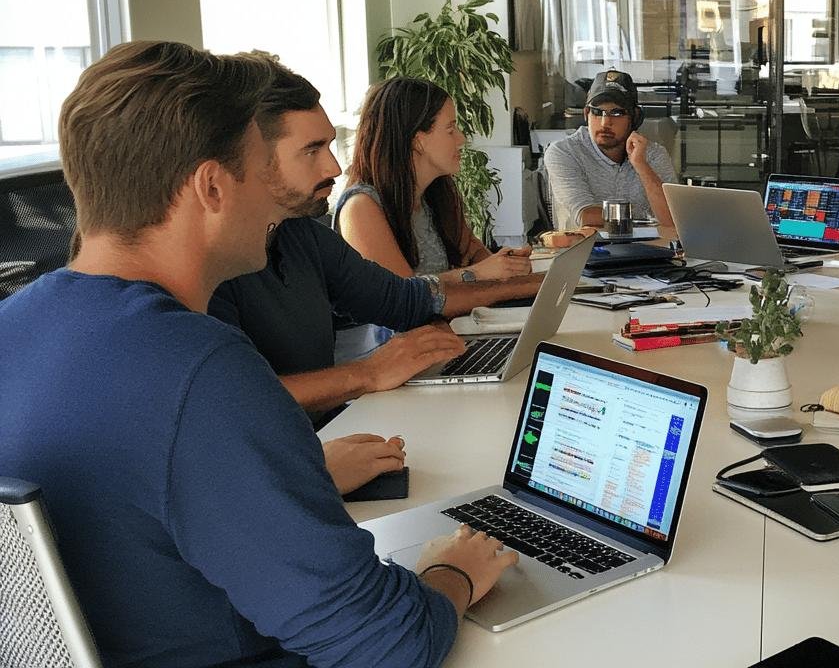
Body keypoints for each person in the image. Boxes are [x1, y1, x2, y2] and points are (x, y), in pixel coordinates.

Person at [0, 41, 515, 667]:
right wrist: (451, 572)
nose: (276, 195)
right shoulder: (200, 368)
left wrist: (297, 469)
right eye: (259, 170)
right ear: (213, 186)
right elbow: (388, 644)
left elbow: (137, 498)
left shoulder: (17, 323)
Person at [209, 61, 542, 418]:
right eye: (312, 150)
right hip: (303, 444)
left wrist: (532, 285)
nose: (335, 168)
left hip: (328, 435)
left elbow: (402, 297)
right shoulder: (212, 265)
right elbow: (234, 398)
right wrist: (369, 372)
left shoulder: (301, 232)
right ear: (248, 158)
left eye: (330, 146)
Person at [335, 76, 532, 282]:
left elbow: (473, 253)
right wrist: (476, 274)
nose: (461, 139)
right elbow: (402, 296)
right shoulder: (360, 207)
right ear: (418, 141)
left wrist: (506, 264)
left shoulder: (437, 191)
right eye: (450, 129)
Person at [543, 69, 677, 230]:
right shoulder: (564, 152)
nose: (605, 123)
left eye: (617, 113)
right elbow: (586, 216)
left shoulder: (653, 155)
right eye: (597, 112)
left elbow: (672, 220)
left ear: (634, 117)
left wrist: (641, 165)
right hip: (586, 251)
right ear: (586, 114)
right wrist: (644, 218)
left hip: (650, 250)